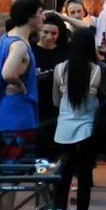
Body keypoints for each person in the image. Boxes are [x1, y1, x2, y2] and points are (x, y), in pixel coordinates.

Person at [0, 0, 44, 210]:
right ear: (30, 16)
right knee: (13, 168)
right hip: (18, 116)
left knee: (3, 167)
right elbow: (7, 72)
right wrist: (22, 85)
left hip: (6, 113)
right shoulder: (20, 44)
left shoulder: (7, 38)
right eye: (40, 12)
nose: (43, 17)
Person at [52, 28, 106, 210]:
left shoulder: (59, 70)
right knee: (84, 179)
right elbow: (101, 98)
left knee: (63, 178)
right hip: (86, 131)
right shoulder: (96, 71)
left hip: (62, 130)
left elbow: (56, 101)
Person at [33, 13, 70, 160]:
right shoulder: (31, 50)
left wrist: (65, 18)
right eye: (45, 32)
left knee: (57, 142)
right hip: (38, 102)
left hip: (59, 102)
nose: (49, 37)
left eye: (53, 33)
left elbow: (89, 29)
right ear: (39, 31)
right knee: (40, 142)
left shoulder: (64, 50)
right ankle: (42, 175)